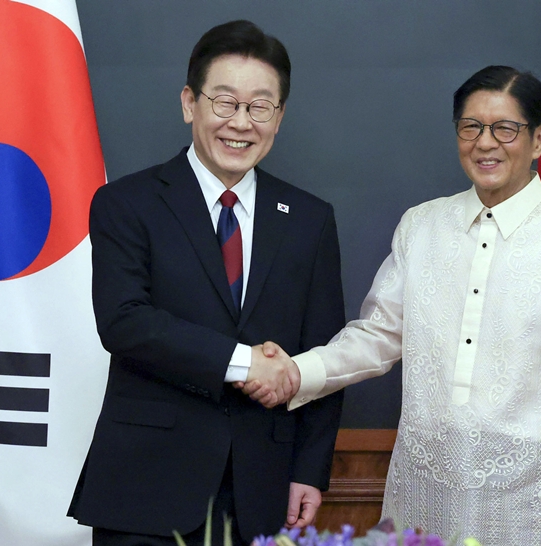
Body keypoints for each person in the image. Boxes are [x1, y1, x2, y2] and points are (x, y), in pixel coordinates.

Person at [245, 66, 541, 546]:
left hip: (530, 503)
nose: (485, 143)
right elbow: (377, 337)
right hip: (422, 492)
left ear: (538, 140)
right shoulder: (422, 226)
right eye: (470, 127)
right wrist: (293, 371)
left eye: (505, 129)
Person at [68, 20, 345, 546]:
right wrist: (245, 363)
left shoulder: (310, 219)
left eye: (260, 106)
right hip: (147, 487)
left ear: (279, 117)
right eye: (225, 102)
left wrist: (309, 468)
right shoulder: (128, 203)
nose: (241, 123)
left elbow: (322, 349)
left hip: (261, 490)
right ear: (189, 103)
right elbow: (124, 322)